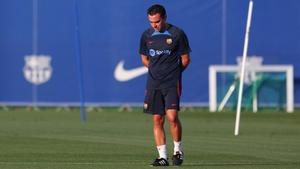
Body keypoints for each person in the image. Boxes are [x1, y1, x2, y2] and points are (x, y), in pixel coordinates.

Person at [139, 4, 191, 166]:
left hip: (171, 82)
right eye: (151, 22)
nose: (154, 25)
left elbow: (185, 59)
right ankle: (162, 156)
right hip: (154, 83)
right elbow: (144, 58)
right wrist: (156, 71)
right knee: (157, 119)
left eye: (157, 21)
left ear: (165, 17)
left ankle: (178, 150)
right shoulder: (146, 35)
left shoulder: (177, 34)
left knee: (172, 117)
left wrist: (174, 73)